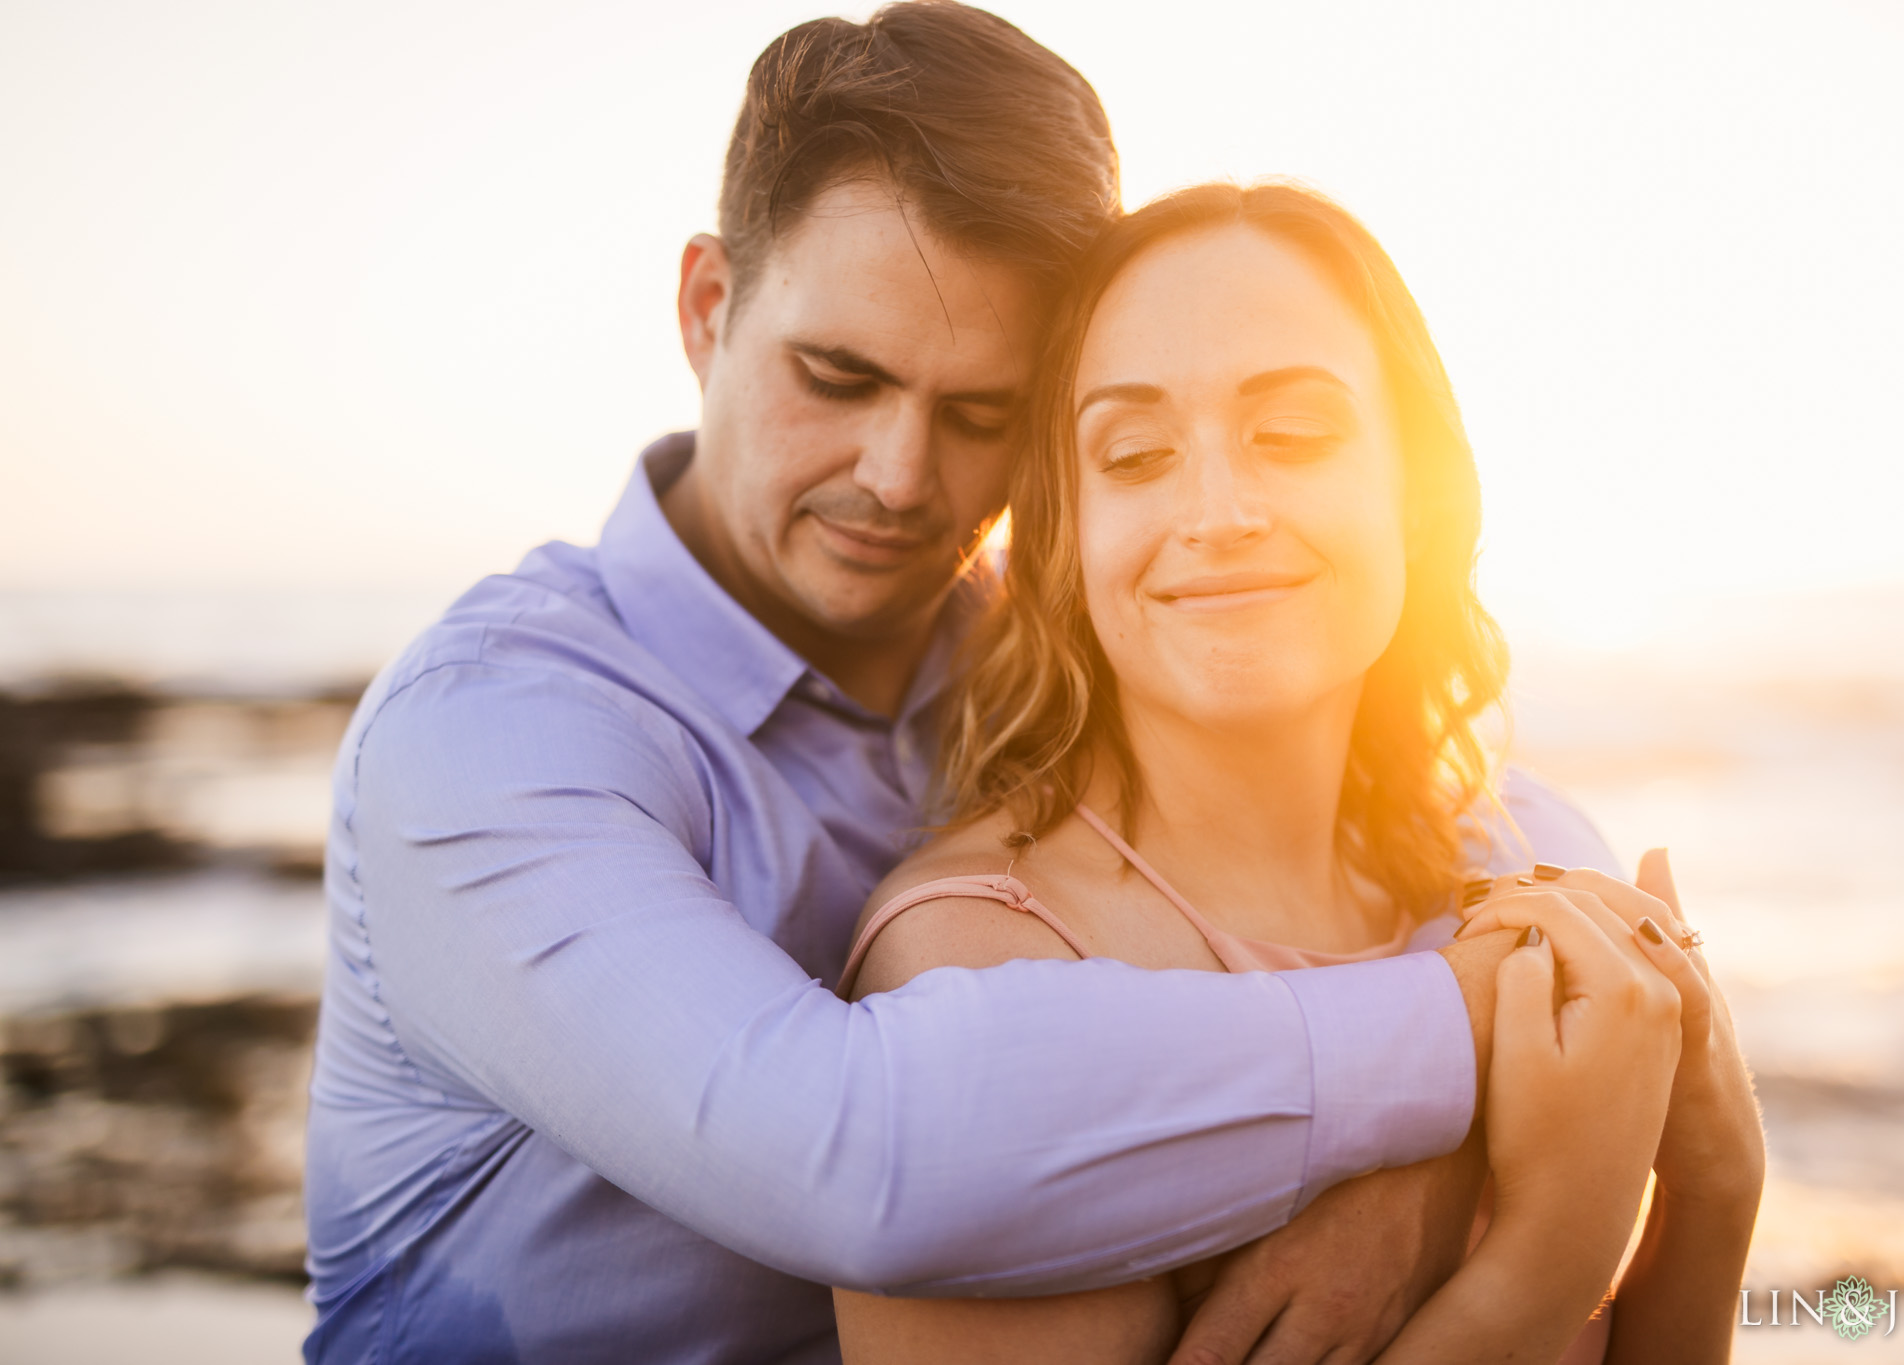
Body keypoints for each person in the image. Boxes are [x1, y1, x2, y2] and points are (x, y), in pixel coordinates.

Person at [301, 5, 1639, 1362]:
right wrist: (1475, 1040)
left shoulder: (1040, 658)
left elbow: (1463, 815)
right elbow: (857, 1156)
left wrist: (1426, 1177)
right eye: (839, 377)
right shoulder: (489, 734)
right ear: (709, 309)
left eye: (982, 414)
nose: (898, 474)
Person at [834, 182, 1766, 1363]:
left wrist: (1716, 1194)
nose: (1216, 513)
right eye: (1134, 454)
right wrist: (1540, 1264)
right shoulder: (984, 973)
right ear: (1064, 539)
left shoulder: (1524, 844)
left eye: (1291, 436)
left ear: (1417, 499)